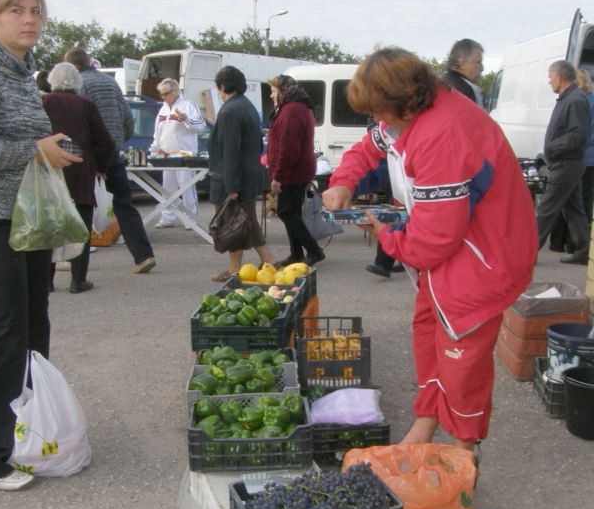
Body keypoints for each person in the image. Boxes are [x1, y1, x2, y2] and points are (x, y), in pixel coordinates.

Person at [323, 47, 537, 453]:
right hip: (451, 256)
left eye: (381, 111)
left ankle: (462, 449)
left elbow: (433, 240)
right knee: (427, 334)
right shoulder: (409, 113)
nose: (377, 120)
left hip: (481, 258)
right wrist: (344, 181)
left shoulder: (443, 132)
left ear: (403, 101)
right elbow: (369, 146)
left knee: (462, 359)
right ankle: (425, 424)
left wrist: (383, 234)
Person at [0, 0, 82, 491]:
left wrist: (47, 146)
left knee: (33, 329)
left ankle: (29, 435)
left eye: (35, 10)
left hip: (28, 221)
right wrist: (36, 148)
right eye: (15, 11)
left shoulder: (23, 72)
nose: (29, 19)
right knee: (6, 333)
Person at [64, 47, 156, 273]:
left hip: (87, 154)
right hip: (113, 151)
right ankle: (143, 255)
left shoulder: (80, 85)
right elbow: (127, 119)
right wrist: (117, 142)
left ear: (73, 67)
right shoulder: (111, 83)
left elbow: (78, 121)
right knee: (124, 204)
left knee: (80, 206)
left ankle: (74, 260)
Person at [43, 62, 115, 293]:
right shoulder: (86, 105)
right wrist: (101, 167)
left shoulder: (42, 102)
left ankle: (46, 281)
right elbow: (106, 142)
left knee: (48, 228)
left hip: (48, 172)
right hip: (79, 173)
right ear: (77, 81)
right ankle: (77, 280)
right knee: (80, 228)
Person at [208, 66, 280, 282]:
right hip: (249, 172)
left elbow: (230, 151)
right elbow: (257, 143)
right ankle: (269, 259)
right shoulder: (247, 105)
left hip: (233, 176)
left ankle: (234, 269)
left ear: (221, 87)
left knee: (232, 223)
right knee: (246, 220)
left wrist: (230, 186)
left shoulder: (229, 111)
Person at [535, 60, 591, 266]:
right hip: (567, 163)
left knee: (546, 209)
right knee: (574, 209)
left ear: (559, 76)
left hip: (567, 163)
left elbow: (578, 136)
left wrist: (552, 147)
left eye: (550, 76)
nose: (549, 81)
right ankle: (583, 251)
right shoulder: (569, 98)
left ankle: (527, 252)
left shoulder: (575, 100)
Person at [266, 74, 324, 266]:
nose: (271, 95)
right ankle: (296, 253)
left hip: (293, 172)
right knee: (292, 212)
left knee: (285, 212)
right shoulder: (294, 107)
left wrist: (278, 177)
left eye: (274, 90)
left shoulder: (291, 110)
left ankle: (314, 250)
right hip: (297, 169)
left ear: (284, 90)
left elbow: (289, 148)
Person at [151, 78, 207, 229]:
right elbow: (158, 131)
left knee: (186, 186)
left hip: (185, 154)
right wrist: (155, 148)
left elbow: (200, 126)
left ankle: (190, 218)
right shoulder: (163, 109)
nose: (163, 97)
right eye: (161, 94)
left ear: (174, 91)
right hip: (167, 154)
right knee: (167, 187)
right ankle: (168, 217)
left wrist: (186, 119)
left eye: (165, 93)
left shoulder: (188, 105)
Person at [442, 39, 485, 107]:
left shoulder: (440, 85)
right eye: (478, 62)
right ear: (463, 64)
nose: (482, 69)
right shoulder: (470, 89)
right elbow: (478, 117)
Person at [576, 68, 594, 224]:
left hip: (586, 156)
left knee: (582, 197)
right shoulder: (589, 101)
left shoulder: (585, 102)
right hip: (587, 157)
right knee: (585, 197)